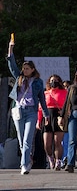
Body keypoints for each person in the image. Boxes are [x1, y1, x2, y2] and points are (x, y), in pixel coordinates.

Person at [7, 41, 49, 175]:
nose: (24, 70)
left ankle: (24, 165)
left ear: (32, 70)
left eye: (27, 68)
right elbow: (11, 65)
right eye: (23, 68)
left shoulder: (38, 81)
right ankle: (26, 159)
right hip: (18, 111)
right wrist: (10, 48)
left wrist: (46, 115)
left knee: (27, 139)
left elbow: (42, 98)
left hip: (31, 111)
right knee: (21, 139)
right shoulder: (19, 78)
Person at [41, 74, 68, 171]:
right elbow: (40, 108)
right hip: (47, 117)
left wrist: (64, 113)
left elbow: (68, 105)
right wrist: (38, 121)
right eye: (52, 80)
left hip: (58, 117)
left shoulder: (64, 92)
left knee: (57, 142)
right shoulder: (45, 93)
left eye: (56, 80)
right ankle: (50, 158)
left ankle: (58, 161)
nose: (54, 82)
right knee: (47, 143)